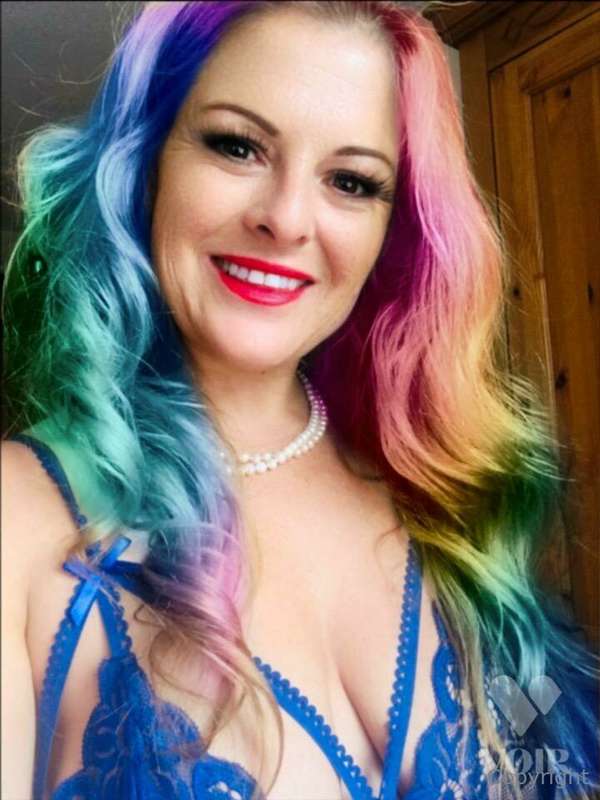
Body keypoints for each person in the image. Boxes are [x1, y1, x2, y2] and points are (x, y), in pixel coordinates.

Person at [2, 2, 599, 799]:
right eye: (237, 145)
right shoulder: (17, 517)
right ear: (144, 163)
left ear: (394, 230)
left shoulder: (448, 498)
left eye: (352, 182)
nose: (285, 219)